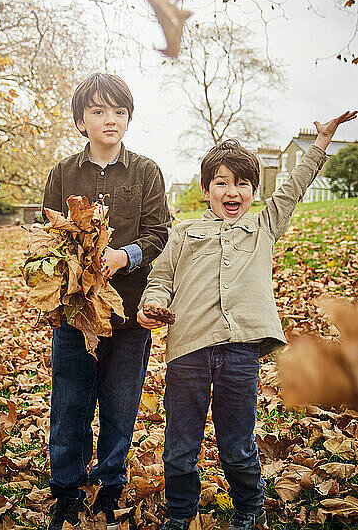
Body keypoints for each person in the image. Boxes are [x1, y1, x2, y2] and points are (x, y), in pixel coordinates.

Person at [137, 111, 357, 530]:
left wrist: (322, 141)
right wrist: (151, 305)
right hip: (188, 351)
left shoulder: (264, 226)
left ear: (255, 191)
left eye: (241, 183)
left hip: (240, 352)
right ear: (206, 191)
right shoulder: (183, 233)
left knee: (236, 442)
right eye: (221, 182)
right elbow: (161, 278)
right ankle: (180, 513)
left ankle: (248, 508)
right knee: (181, 444)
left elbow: (293, 188)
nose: (232, 191)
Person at [42, 73, 170, 530]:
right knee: (70, 400)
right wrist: (73, 262)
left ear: (129, 119)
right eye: (98, 111)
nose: (109, 119)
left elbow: (159, 233)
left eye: (119, 111)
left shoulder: (146, 171)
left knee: (120, 402)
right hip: (76, 311)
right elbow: (50, 234)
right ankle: (66, 487)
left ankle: (111, 481)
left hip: (129, 311)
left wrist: (123, 256)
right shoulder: (62, 173)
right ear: (81, 120)